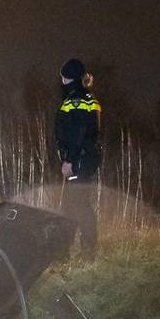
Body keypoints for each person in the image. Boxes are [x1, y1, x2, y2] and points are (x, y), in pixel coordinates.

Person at [55, 57, 102, 258]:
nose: (61, 81)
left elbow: (78, 133)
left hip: (79, 160)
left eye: (63, 77)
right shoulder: (89, 98)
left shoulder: (75, 100)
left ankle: (84, 251)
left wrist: (70, 161)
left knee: (77, 205)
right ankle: (75, 250)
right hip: (86, 159)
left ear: (69, 78)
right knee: (75, 204)